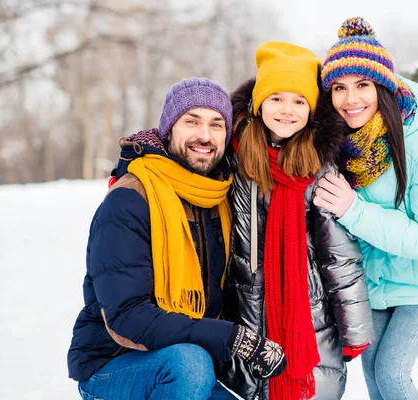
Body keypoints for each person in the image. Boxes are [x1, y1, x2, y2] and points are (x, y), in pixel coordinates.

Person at [67, 77, 287, 400]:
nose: (204, 135)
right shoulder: (129, 200)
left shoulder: (218, 200)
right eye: (191, 121)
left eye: (216, 124)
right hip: (115, 366)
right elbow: (127, 316)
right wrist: (230, 338)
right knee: (191, 364)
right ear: (169, 129)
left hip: (183, 366)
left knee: (194, 365)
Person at [313, 18, 418, 400]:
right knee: (374, 375)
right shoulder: (340, 145)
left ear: (383, 86)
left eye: (363, 85)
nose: (351, 99)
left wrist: (354, 210)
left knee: (393, 373)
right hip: (379, 279)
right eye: (339, 88)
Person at [217, 41, 375, 400]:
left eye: (299, 101)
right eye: (276, 98)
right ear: (258, 104)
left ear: (311, 109)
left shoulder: (319, 168)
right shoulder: (233, 157)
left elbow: (339, 254)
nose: (287, 110)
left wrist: (354, 331)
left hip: (309, 320)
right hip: (244, 315)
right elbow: (187, 158)